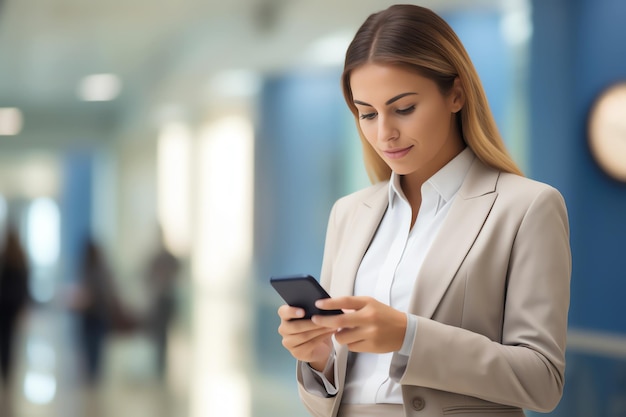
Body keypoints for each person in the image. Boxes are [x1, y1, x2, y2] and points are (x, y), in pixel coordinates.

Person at [276, 5, 571, 417]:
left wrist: (409, 336)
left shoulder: (527, 207)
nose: (384, 134)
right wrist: (318, 357)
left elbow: (542, 380)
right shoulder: (349, 213)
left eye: (404, 108)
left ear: (456, 93)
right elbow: (334, 388)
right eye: (367, 114)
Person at [142, 228, 180, 379]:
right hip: (159, 300)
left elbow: (177, 272)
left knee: (165, 334)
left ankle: (163, 366)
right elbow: (147, 276)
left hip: (167, 299)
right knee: (158, 335)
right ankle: (159, 366)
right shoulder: (155, 258)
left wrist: (167, 280)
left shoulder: (169, 257)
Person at [0, 226, 30, 390]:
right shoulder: (20, 256)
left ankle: (5, 369)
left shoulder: (5, 256)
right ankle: (7, 371)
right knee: (9, 339)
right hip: (13, 306)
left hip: (4, 304)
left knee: (4, 339)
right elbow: (26, 284)